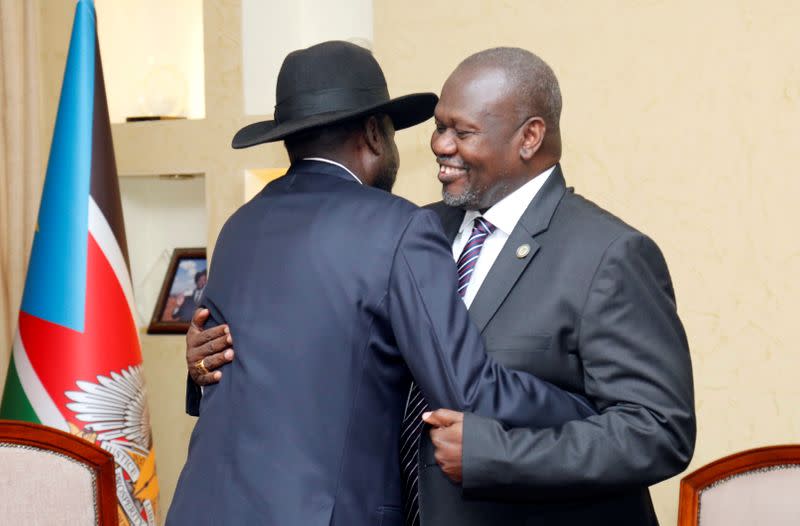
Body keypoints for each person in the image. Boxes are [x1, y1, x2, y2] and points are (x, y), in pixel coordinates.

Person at [185, 47, 695, 525]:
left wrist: (497, 455)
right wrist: (212, 358)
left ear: (530, 137)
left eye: (462, 131)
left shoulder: (608, 254)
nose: (439, 145)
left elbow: (659, 432)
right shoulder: (406, 227)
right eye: (438, 128)